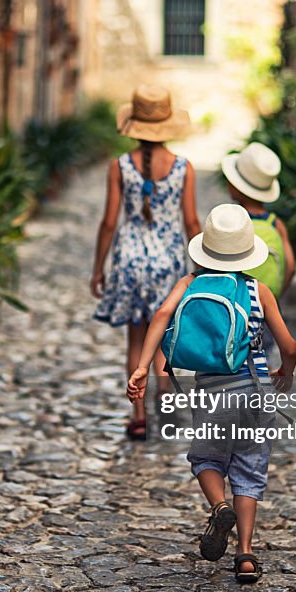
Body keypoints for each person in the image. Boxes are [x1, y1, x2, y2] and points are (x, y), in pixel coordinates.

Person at [126, 204, 296, 583]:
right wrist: (286, 371)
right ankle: (246, 555)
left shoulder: (189, 283)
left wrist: (142, 366)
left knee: (205, 458)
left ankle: (220, 506)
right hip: (255, 389)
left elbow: (160, 316)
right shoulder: (259, 291)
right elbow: (288, 345)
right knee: (250, 469)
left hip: (213, 390)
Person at [92, 84, 201, 441]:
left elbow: (109, 222)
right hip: (168, 264)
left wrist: (99, 268)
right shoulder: (184, 168)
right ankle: (164, 403)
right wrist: (200, 270)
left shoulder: (120, 166)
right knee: (164, 341)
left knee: (136, 342)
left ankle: (138, 416)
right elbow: (191, 223)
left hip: (129, 261)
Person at [222, 142, 295, 298]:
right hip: (266, 302)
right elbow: (290, 267)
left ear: (237, 187)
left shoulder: (232, 221)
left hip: (234, 302)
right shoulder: (276, 224)